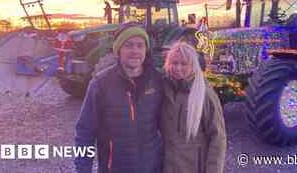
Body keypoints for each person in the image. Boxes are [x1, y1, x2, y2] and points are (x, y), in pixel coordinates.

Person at [74, 24, 164, 173]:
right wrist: (83, 169)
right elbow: (85, 133)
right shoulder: (100, 84)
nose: (135, 51)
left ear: (146, 50)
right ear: (118, 50)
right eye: (128, 45)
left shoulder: (157, 80)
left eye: (140, 45)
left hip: (152, 168)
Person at [160, 42, 227, 173]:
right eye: (174, 63)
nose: (178, 68)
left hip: (194, 167)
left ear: (193, 66)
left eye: (184, 64)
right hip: (167, 167)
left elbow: (218, 138)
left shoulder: (205, 94)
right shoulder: (162, 88)